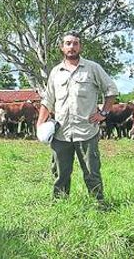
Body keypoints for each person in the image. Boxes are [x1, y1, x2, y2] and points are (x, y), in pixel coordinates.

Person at [36, 31, 118, 205]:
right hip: (61, 133)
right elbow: (48, 99)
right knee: (60, 172)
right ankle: (60, 205)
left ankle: (98, 204)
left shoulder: (92, 68)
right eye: (68, 43)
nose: (71, 47)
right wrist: (40, 123)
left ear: (80, 46)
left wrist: (103, 113)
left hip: (86, 131)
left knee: (91, 171)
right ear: (62, 47)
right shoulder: (55, 72)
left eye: (75, 43)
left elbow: (111, 91)